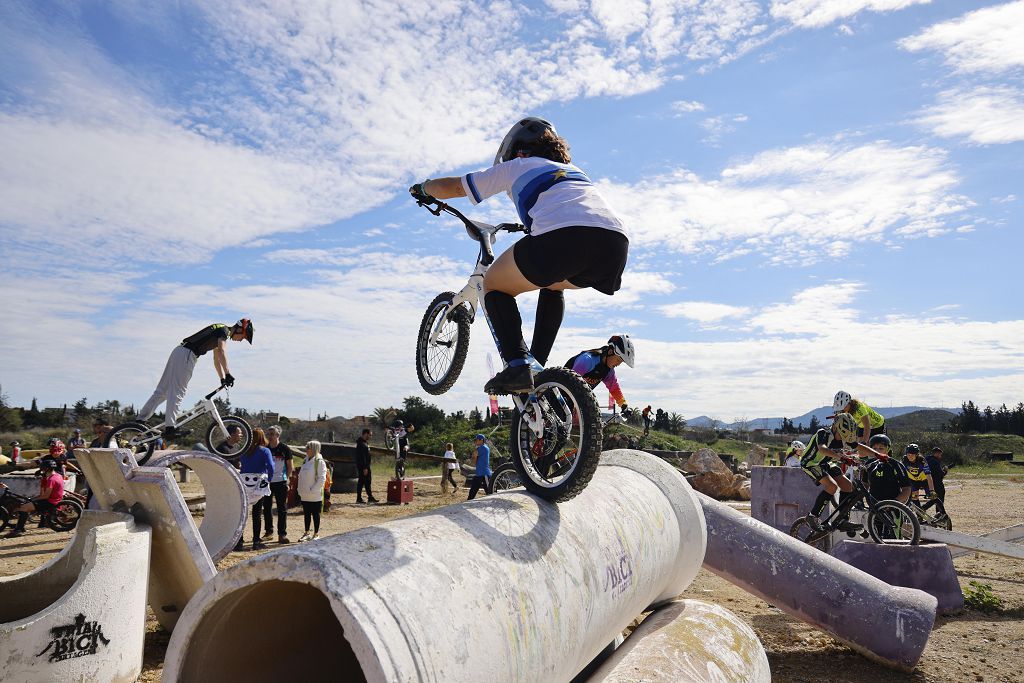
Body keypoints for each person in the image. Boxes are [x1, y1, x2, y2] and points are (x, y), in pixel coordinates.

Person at [410, 117, 629, 394]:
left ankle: (518, 364)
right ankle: (537, 365)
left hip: (565, 237)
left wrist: (424, 188)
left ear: (519, 151)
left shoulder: (519, 165)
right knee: (552, 283)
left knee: (493, 284)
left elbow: (455, 187)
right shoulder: (574, 171)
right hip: (615, 245)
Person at [138, 319, 253, 438]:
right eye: (243, 337)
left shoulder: (220, 329)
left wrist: (222, 378)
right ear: (239, 329)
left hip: (179, 351)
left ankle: (140, 421)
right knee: (178, 391)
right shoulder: (224, 331)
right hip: (188, 355)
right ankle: (170, 428)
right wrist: (228, 374)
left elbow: (216, 359)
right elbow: (222, 352)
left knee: (163, 391)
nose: (240, 340)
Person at [798, 413, 873, 533]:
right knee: (832, 486)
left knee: (848, 486)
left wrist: (879, 455)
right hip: (810, 463)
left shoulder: (844, 439)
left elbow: (859, 447)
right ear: (835, 427)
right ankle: (812, 516)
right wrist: (841, 457)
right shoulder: (823, 433)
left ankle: (842, 521)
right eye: (841, 433)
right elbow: (822, 449)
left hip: (826, 463)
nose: (842, 437)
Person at [564, 334, 636, 412]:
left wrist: (624, 405)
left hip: (573, 399)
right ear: (610, 351)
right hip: (561, 393)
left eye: (621, 362)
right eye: (618, 360)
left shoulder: (609, 371)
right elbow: (570, 381)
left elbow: (614, 388)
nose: (618, 364)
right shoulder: (587, 360)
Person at [3, 458, 64, 536]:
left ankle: (19, 530)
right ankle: (20, 528)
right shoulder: (58, 476)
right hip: (56, 500)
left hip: (51, 502)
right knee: (26, 505)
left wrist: (33, 499)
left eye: (42, 469)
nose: (41, 470)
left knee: (23, 507)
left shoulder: (51, 480)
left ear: (46, 469)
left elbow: (46, 496)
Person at [238, 428, 274, 551]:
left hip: (244, 481)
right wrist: (269, 480)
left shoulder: (244, 450)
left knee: (242, 513)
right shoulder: (265, 451)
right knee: (257, 513)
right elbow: (270, 466)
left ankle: (239, 542)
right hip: (258, 482)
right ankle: (256, 541)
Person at [861, 435, 912, 504]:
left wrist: (894, 503)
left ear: (887, 449)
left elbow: (906, 489)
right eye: (874, 449)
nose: (877, 451)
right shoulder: (869, 464)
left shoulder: (896, 465)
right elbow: (865, 484)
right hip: (874, 506)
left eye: (881, 448)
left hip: (893, 506)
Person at [265, 425, 293, 544]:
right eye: (269, 433)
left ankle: (282, 534)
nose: (270, 436)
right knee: (266, 508)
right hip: (267, 482)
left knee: (282, 509)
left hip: (281, 481)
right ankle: (269, 532)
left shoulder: (284, 449)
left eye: (272, 434)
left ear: (278, 435)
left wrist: (288, 480)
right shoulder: (265, 449)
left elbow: (290, 466)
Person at [297, 441, 327, 541]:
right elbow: (301, 476)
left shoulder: (320, 462)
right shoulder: (305, 460)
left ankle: (316, 534)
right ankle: (307, 533)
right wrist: (300, 489)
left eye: (308, 447)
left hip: (315, 494)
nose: (306, 449)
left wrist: (313, 489)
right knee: (306, 514)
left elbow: (322, 478)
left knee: (315, 514)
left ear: (314, 449)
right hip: (305, 494)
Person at [355, 429, 378, 504]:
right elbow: (362, 457)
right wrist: (364, 468)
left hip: (366, 466)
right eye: (370, 434)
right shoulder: (360, 443)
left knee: (365, 482)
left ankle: (369, 497)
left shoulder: (365, 443)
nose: (370, 436)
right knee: (363, 482)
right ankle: (361, 498)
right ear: (365, 434)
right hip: (363, 467)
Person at [467, 435, 492, 500]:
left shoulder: (482, 448)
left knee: (490, 492)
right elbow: (475, 462)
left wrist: (474, 455)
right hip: (479, 473)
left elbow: (474, 461)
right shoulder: (484, 447)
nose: (475, 441)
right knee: (472, 492)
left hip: (484, 474)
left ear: (481, 440)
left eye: (477, 440)